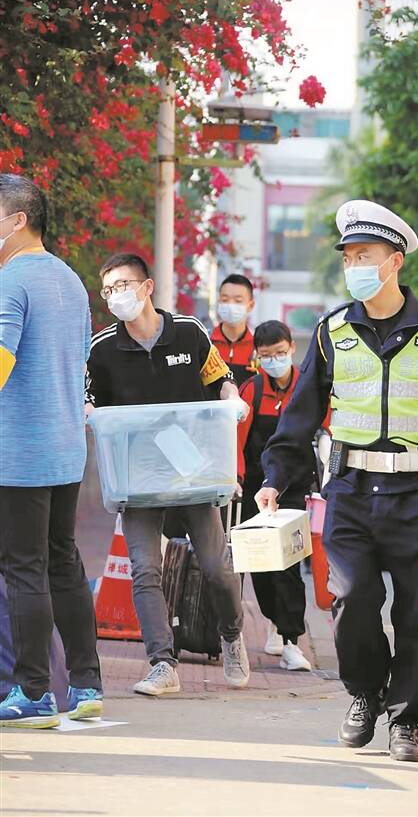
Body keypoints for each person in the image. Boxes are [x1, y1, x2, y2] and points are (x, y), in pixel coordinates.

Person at [255, 199, 418, 761]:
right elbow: (299, 414)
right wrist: (274, 476)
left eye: (364, 256)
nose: (354, 267)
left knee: (415, 611)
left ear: (394, 262)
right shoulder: (332, 332)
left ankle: (407, 721)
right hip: (350, 493)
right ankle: (365, 694)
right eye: (348, 258)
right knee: (351, 600)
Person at [86, 252, 250, 695]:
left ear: (147, 287)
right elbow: (88, 397)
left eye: (123, 285)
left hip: (191, 468)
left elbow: (220, 377)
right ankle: (162, 663)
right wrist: (88, 412)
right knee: (145, 569)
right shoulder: (102, 349)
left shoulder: (188, 332)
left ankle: (232, 634)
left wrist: (232, 398)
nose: (116, 296)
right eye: (108, 290)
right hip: (136, 474)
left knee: (215, 566)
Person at [0, 174, 102, 728]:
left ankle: (34, 693)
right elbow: (78, 360)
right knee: (63, 562)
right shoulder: (70, 280)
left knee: (23, 568)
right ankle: (86, 687)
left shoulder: (11, 280)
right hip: (65, 447)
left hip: (19, 451)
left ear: (18, 220)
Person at [237, 321, 324, 672]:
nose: (275, 360)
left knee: (288, 567)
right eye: (267, 355)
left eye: (280, 353)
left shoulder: (309, 387)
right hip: (255, 491)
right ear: (257, 357)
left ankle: (291, 641)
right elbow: (237, 441)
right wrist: (237, 480)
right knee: (260, 567)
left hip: (294, 490)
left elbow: (329, 427)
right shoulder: (252, 391)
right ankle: (274, 620)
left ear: (292, 348)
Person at [211, 274, 257, 387]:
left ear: (251, 305)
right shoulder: (205, 342)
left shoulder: (258, 350)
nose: (230, 305)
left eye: (238, 300)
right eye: (225, 300)